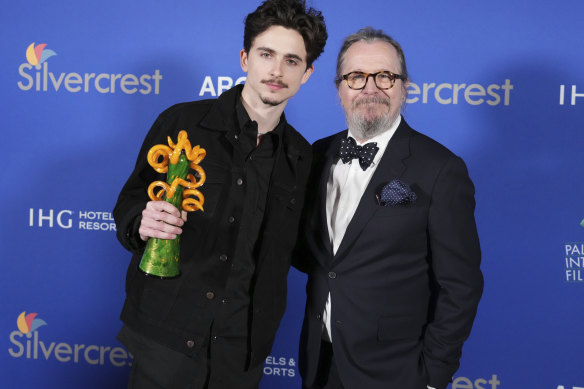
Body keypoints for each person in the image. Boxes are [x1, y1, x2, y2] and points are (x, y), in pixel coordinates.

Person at [113, 1, 327, 388]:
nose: (277, 71)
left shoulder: (302, 156)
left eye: (292, 61)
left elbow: (301, 249)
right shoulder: (182, 122)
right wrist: (140, 222)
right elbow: (128, 204)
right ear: (245, 58)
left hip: (241, 352)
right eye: (267, 54)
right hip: (167, 339)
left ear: (307, 74)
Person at [295, 27, 483, 389]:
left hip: (396, 372)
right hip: (318, 364)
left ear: (405, 87)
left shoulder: (440, 168)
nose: (370, 88)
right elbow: (308, 254)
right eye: (355, 77)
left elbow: (461, 285)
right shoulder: (315, 155)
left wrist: (433, 374)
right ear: (339, 90)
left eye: (385, 76)